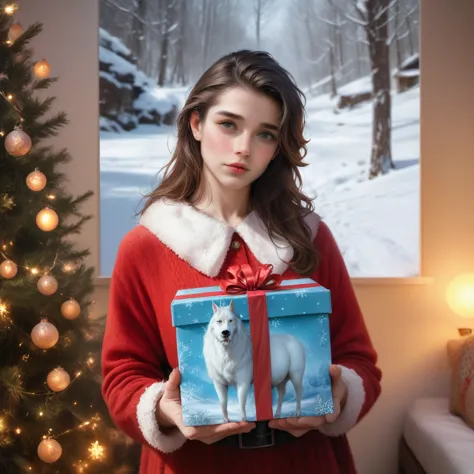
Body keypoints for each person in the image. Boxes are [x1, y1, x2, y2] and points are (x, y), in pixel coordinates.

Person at [101, 49, 382, 474]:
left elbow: (359, 359)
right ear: (196, 123)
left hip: (304, 463)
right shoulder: (145, 247)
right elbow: (123, 376)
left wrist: (339, 396)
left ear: (278, 147)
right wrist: (164, 410)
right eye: (228, 124)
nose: (243, 148)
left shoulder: (310, 238)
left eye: (265, 134)